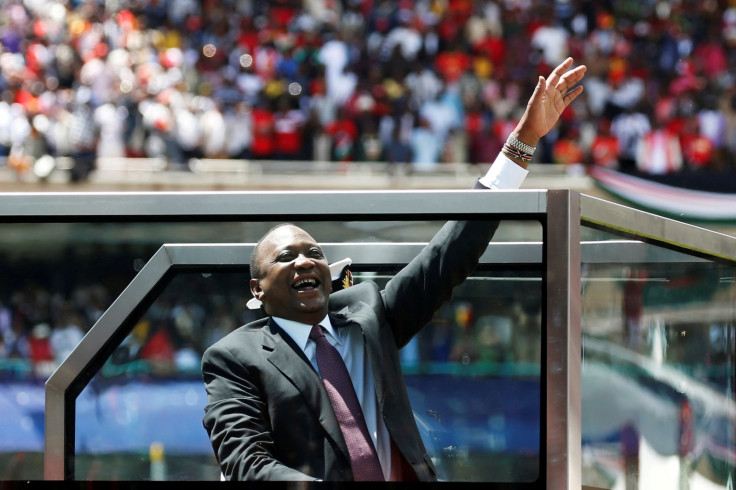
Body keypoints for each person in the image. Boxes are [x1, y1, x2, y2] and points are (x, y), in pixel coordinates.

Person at [201, 58, 586, 481]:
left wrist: (523, 140)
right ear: (257, 289)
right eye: (287, 257)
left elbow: (449, 254)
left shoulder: (367, 313)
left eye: (313, 251)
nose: (306, 260)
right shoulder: (234, 358)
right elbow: (245, 464)